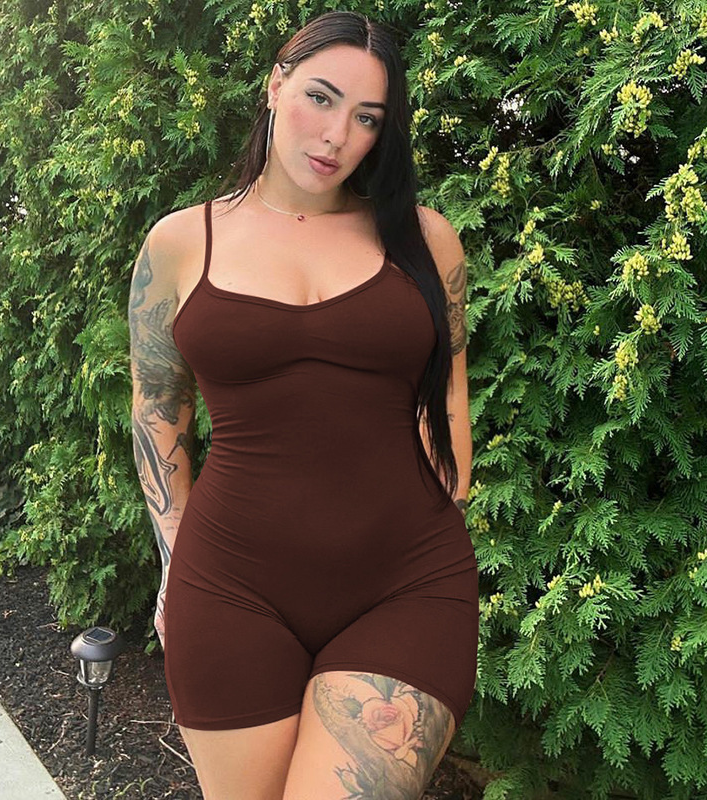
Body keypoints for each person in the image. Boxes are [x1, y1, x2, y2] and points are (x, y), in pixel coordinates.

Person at [128, 10, 477, 799]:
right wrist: (174, 561)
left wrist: (450, 495)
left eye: (367, 118)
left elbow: (451, 391)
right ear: (275, 86)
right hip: (231, 591)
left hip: (406, 584)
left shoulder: (425, 240)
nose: (336, 136)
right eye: (321, 97)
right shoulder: (180, 243)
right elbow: (158, 410)